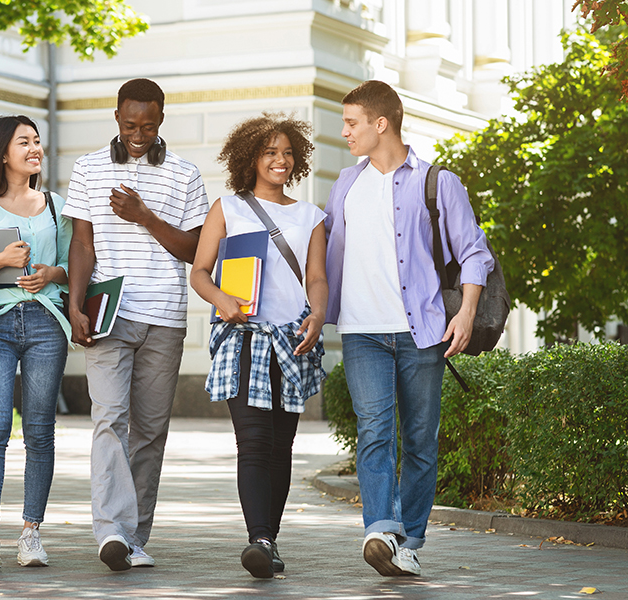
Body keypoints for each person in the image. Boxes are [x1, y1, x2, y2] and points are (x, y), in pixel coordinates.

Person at [325, 80, 494, 576]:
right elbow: (323, 248)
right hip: (362, 332)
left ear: (382, 124)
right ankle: (381, 529)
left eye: (352, 122)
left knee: (420, 440)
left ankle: (410, 541)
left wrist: (464, 313)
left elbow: (473, 253)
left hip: (423, 331)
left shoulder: (438, 182)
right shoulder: (345, 184)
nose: (345, 132)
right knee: (375, 431)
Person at [62, 78, 209, 571]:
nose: (137, 134)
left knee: (150, 431)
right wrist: (75, 304)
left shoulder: (186, 175)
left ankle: (134, 536)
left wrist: (144, 215)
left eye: (147, 125)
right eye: (129, 125)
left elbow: (194, 251)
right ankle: (111, 531)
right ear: (117, 117)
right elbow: (82, 244)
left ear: (162, 118)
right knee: (108, 420)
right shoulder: (88, 168)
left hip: (165, 317)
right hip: (110, 311)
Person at [190, 113, 328, 579]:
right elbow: (199, 272)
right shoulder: (228, 209)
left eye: (288, 153)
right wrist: (221, 299)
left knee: (281, 446)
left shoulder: (310, 216)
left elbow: (317, 278)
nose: (281, 160)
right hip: (243, 340)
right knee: (252, 443)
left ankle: (269, 539)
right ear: (250, 157)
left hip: (292, 338)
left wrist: (319, 314)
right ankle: (259, 540)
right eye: (270, 152)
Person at [0, 115, 71, 569]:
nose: (34, 149)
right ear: (2, 152)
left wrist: (49, 273)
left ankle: (31, 533)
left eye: (37, 142)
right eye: (23, 142)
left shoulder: (55, 205)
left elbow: (71, 267)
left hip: (47, 322)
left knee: (40, 430)